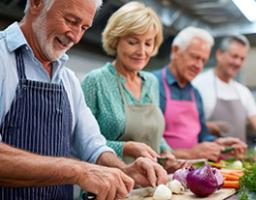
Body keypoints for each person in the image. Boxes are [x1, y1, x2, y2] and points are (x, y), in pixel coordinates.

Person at [0, 0, 168, 199]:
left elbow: (93, 147)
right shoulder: (3, 58)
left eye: (84, 27)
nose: (76, 36)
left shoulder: (67, 79)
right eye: (71, 21)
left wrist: (125, 169)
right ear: (36, 3)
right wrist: (79, 170)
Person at [81, 2, 184, 172]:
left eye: (148, 43)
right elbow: (82, 142)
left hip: (150, 183)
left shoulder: (151, 82)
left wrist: (166, 152)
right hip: (109, 184)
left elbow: (153, 136)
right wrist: (125, 147)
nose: (141, 51)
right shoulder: (96, 81)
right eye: (133, 42)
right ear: (116, 40)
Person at [153, 27, 247, 162]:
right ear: (175, 50)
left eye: (203, 60)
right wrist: (190, 153)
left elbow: (202, 136)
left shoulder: (195, 93)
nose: (198, 65)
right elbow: (147, 143)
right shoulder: (152, 84)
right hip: (161, 173)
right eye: (194, 57)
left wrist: (219, 145)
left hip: (192, 171)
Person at [192, 35, 256, 142]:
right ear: (219, 54)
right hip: (208, 157)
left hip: (239, 157)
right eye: (234, 56)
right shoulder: (199, 84)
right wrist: (207, 127)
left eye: (242, 59)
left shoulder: (242, 91)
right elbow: (188, 125)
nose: (237, 62)